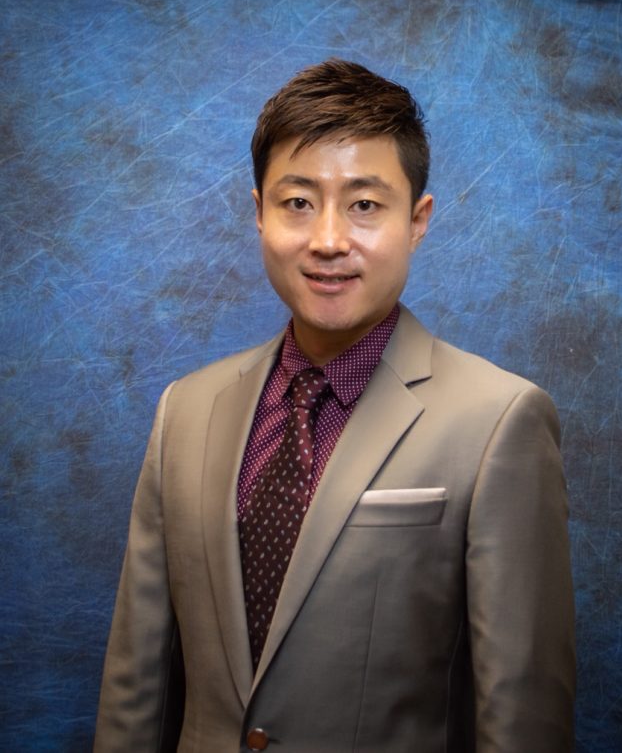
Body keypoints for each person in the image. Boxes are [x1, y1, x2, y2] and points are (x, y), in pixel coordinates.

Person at [94, 58, 575, 753]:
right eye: (297, 202)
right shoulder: (185, 412)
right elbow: (135, 690)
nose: (327, 240)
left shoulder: (500, 422)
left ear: (418, 220)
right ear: (257, 211)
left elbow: (521, 719)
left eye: (365, 204)